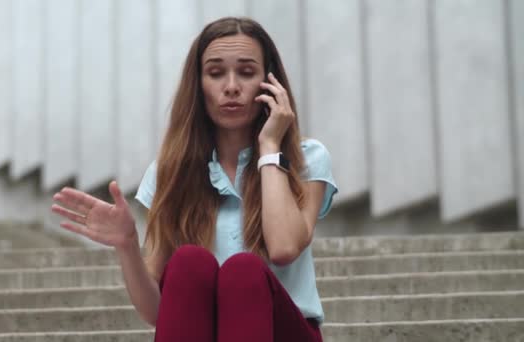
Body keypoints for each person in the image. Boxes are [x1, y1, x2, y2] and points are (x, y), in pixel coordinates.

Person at [51, 16, 338, 342]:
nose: (231, 86)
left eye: (246, 72)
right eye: (216, 73)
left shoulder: (306, 158)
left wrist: (271, 149)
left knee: (243, 271)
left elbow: (284, 248)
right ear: (198, 86)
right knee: (189, 262)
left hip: (284, 333)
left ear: (269, 82)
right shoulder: (169, 172)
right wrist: (128, 245)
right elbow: (158, 313)